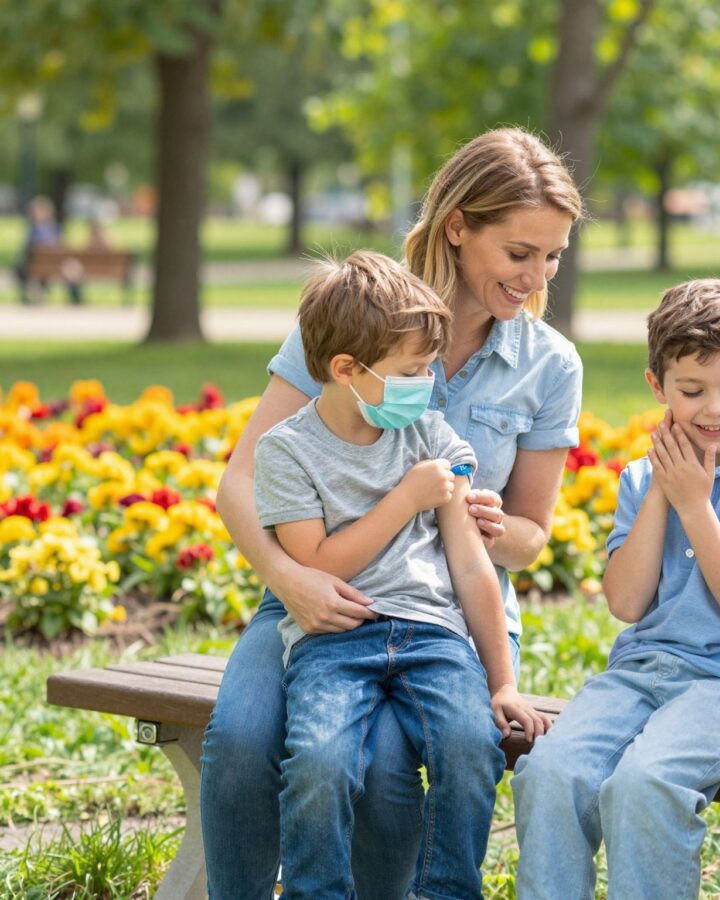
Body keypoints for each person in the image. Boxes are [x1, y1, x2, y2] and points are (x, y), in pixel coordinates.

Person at [202, 128, 584, 900]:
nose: (536, 275)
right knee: (240, 739)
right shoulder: (354, 316)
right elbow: (241, 478)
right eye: (519, 253)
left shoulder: (550, 364)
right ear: (458, 226)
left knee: (380, 765)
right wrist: (290, 578)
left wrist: (486, 524)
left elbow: (530, 539)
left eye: (552, 256)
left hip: (450, 609)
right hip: (321, 593)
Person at [253, 250, 548, 897]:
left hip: (435, 638)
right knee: (320, 766)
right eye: (410, 371)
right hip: (335, 642)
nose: (426, 384)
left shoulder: (432, 438)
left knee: (472, 750)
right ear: (345, 370)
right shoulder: (287, 451)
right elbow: (319, 564)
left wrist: (502, 683)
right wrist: (405, 500)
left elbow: (472, 567)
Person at [512, 278, 720, 899]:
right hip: (639, 674)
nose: (714, 409)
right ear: (658, 386)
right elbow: (625, 604)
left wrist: (695, 505)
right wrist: (661, 490)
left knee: (644, 784)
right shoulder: (641, 478)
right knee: (549, 770)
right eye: (692, 390)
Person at [13, 195, 81, 305]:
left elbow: (28, 248)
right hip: (53, 264)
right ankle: (76, 298)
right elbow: (62, 245)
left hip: (41, 265)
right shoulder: (55, 227)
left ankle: (28, 297)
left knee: (21, 269)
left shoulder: (34, 229)